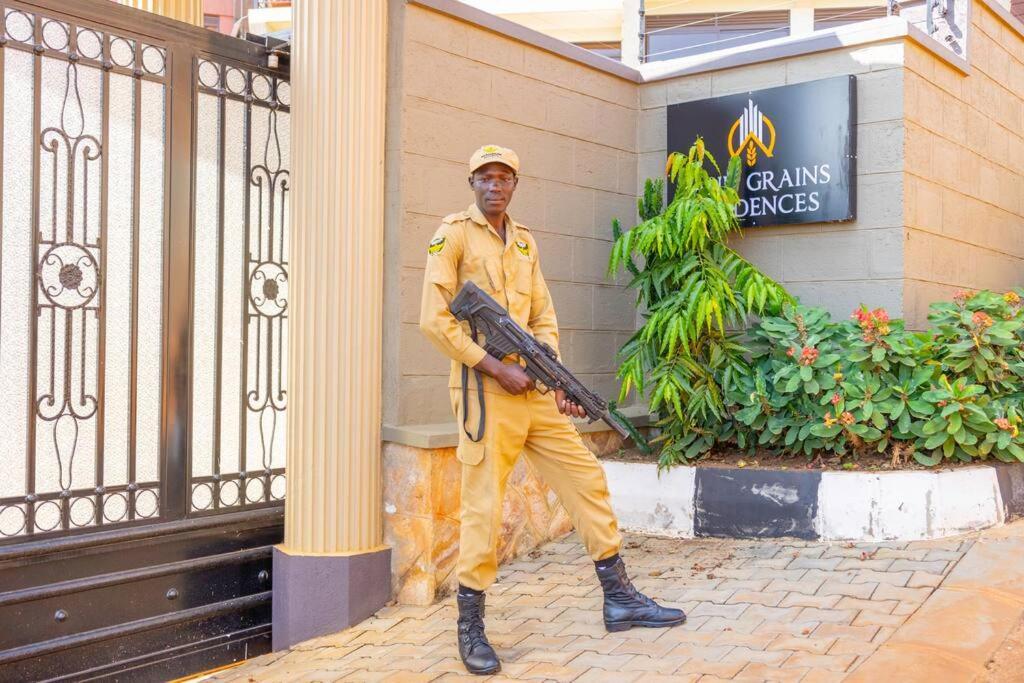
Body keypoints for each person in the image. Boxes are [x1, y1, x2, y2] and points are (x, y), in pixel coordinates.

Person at [418, 145, 685, 675]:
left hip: (534, 393)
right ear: (472, 182)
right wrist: (497, 369)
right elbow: (435, 320)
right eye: (486, 178)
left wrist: (553, 377)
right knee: (484, 510)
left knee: (586, 479)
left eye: (505, 178)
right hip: (488, 394)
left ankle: (620, 597)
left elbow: (542, 316)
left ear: (515, 184)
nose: (495, 186)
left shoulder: (523, 242)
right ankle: (470, 626)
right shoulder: (451, 235)